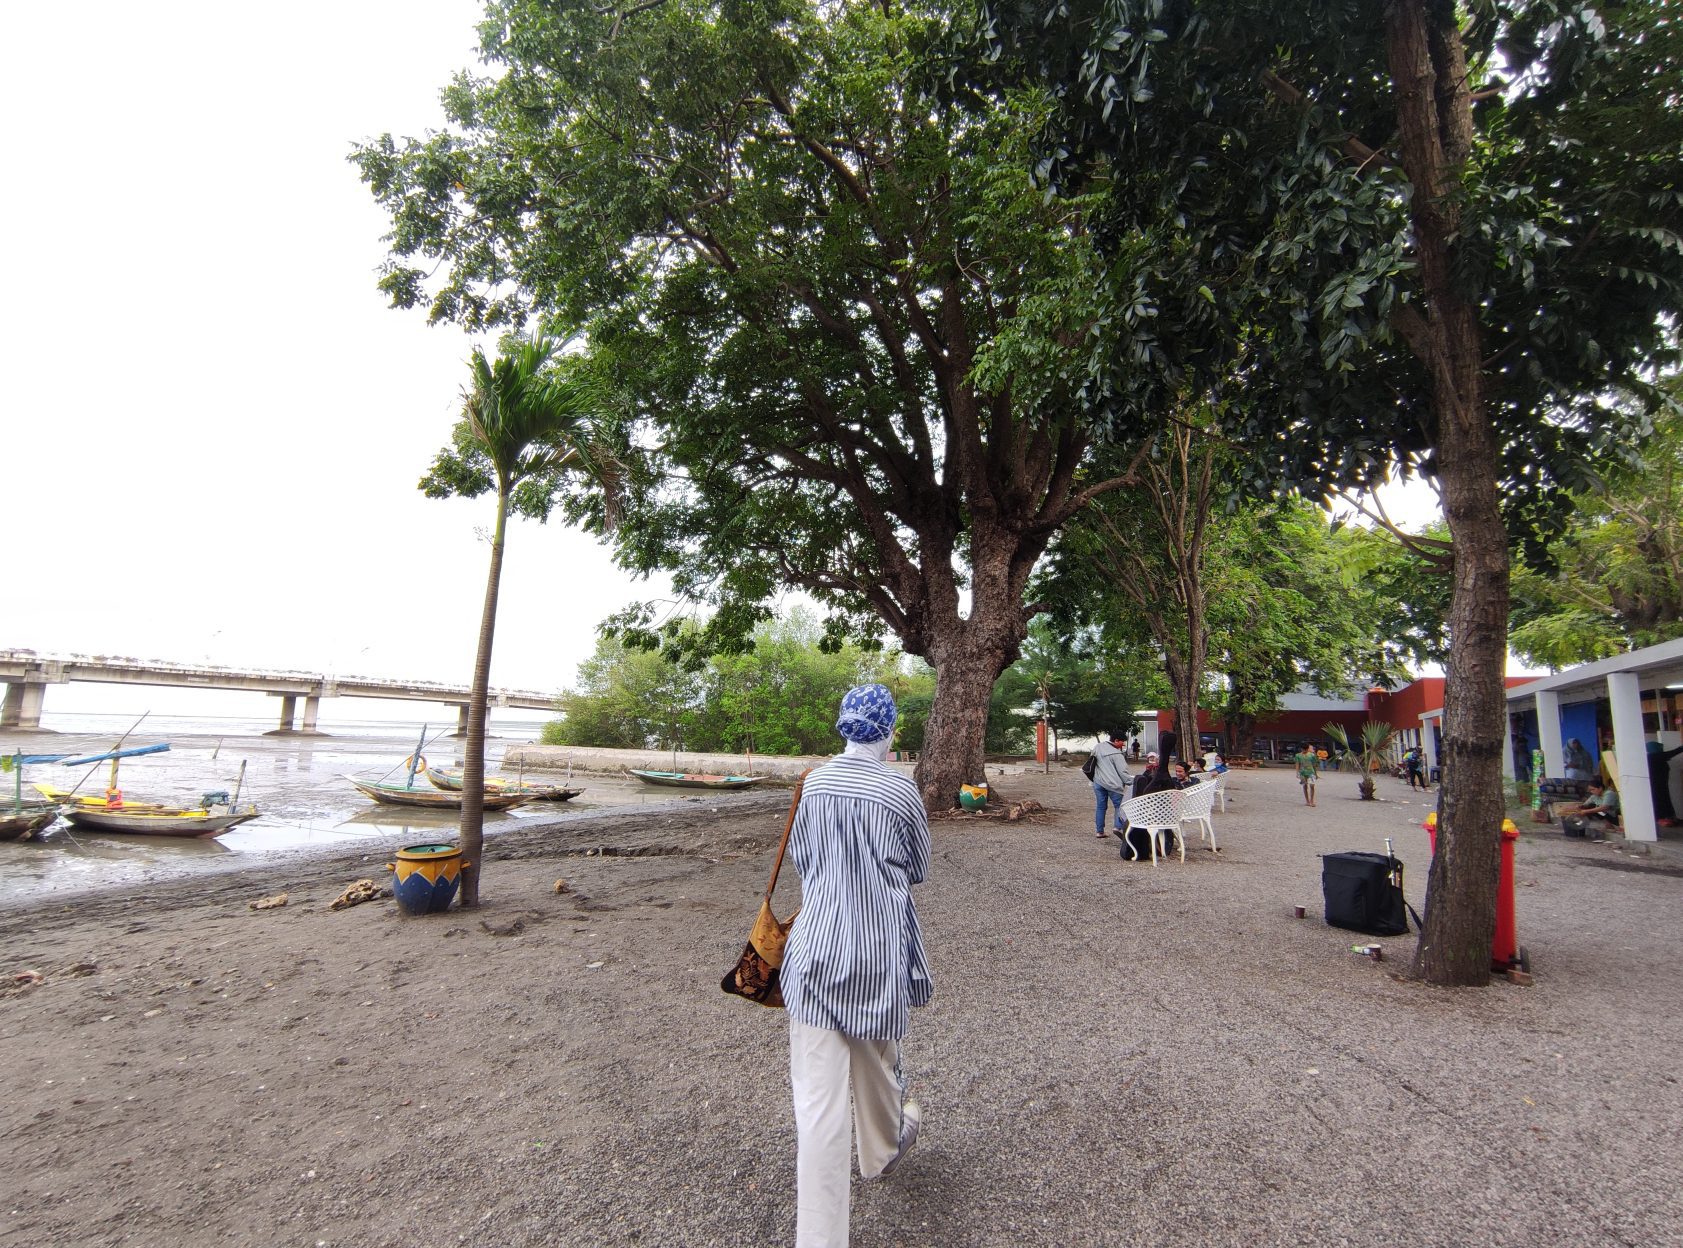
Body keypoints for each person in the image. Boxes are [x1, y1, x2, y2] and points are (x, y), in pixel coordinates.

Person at [781, 683, 931, 1248]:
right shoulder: (898, 791)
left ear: (843, 727)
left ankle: (820, 1240)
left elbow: (802, 858)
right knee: (878, 1061)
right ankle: (882, 1148)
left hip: (815, 952)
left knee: (817, 1107)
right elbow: (917, 866)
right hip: (876, 954)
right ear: (888, 731)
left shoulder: (814, 782)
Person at [1089, 729, 1132, 839]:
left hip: (1098, 782)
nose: (1123, 744)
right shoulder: (1117, 754)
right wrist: (1131, 781)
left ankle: (1099, 831)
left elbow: (1091, 762)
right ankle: (1117, 827)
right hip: (1113, 784)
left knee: (1101, 806)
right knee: (1119, 805)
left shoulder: (1097, 747)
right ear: (1116, 740)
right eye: (1122, 742)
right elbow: (1123, 772)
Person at [1647, 740, 1683, 828]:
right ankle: (1664, 818)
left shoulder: (1652, 757)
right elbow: (1671, 753)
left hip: (1660, 784)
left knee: (1664, 800)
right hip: (1657, 785)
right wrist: (1681, 748)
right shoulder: (1654, 756)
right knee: (1662, 801)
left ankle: (1667, 818)